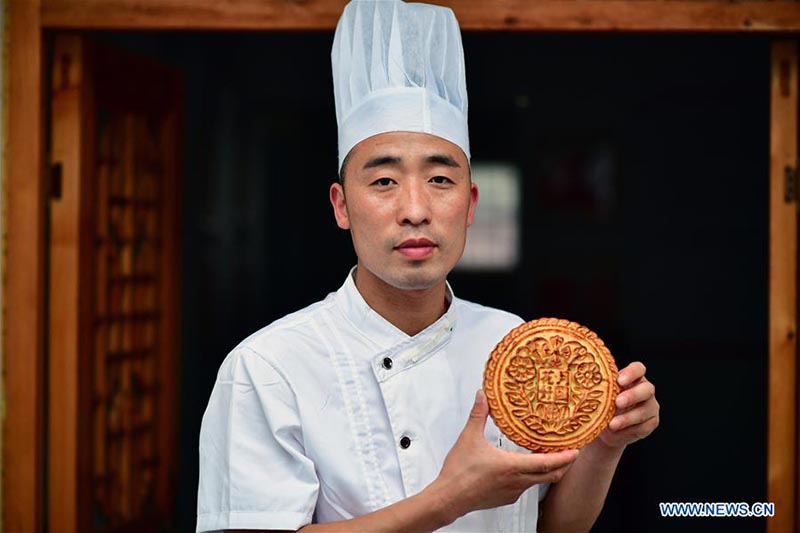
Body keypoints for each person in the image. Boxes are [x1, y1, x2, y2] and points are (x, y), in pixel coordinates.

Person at [196, 1, 660, 532]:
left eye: (440, 180)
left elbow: (553, 527)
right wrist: (450, 497)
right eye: (383, 181)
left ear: (470, 203)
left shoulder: (511, 344)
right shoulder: (267, 368)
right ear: (341, 205)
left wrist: (605, 443)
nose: (415, 208)